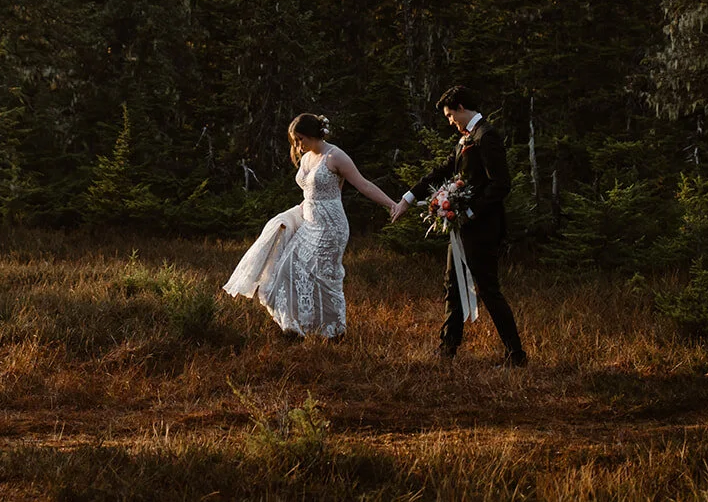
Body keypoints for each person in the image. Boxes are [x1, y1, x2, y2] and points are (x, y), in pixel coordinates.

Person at [223, 113, 399, 339]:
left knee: (325, 277)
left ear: (313, 135)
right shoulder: (306, 158)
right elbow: (309, 193)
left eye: (300, 139)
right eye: (295, 140)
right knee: (285, 269)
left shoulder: (335, 157)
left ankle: (335, 331)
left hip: (331, 227)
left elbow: (363, 184)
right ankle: (296, 327)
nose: (298, 145)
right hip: (309, 222)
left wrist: (391, 204)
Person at [391, 86, 528, 366]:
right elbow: (444, 169)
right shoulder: (466, 138)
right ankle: (447, 348)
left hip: (482, 228)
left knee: (488, 289)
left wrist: (468, 210)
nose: (450, 121)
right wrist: (409, 197)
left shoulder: (486, 137)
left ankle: (516, 354)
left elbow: (501, 184)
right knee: (452, 285)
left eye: (451, 115)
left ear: (462, 108)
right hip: (461, 228)